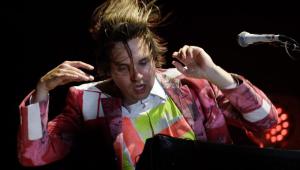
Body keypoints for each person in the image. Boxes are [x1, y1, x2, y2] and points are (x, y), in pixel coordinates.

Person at [17, 0, 278, 169]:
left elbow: (266, 121)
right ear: (108, 69)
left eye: (143, 63)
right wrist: (41, 91)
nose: (137, 76)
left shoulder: (192, 84)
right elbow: (34, 155)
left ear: (155, 57)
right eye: (123, 68)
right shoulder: (88, 101)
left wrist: (214, 73)